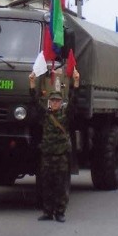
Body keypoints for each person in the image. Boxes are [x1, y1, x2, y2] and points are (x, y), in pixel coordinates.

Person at [29, 66, 80, 223]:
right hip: (47, 155)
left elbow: (74, 101)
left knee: (61, 185)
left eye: (58, 101)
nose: (55, 103)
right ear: (50, 102)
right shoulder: (45, 115)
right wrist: (32, 83)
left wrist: (76, 83)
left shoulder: (65, 116)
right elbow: (34, 101)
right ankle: (47, 212)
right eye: (53, 101)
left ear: (61, 102)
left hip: (61, 156)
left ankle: (60, 212)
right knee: (46, 184)